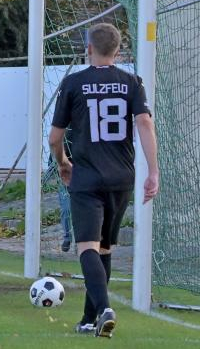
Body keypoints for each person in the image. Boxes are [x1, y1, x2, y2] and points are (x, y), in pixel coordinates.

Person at [49, 23, 159, 338]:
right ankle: (88, 319)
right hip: (122, 177)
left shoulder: (73, 83)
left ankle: (105, 309)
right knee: (106, 249)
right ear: (118, 51)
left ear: (88, 50)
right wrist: (153, 171)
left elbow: (55, 138)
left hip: (86, 178)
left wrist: (62, 162)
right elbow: (145, 124)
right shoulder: (132, 82)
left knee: (87, 248)